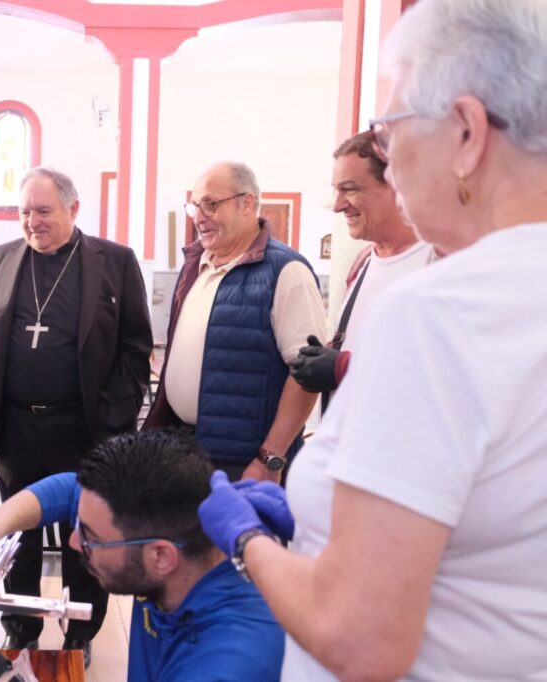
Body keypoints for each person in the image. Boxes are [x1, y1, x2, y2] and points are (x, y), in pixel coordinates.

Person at [197, 1, 547, 679]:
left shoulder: (438, 313)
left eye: (389, 131)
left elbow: (357, 637)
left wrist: (246, 539)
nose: (388, 153)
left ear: (468, 132)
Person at [0, 166, 153, 663]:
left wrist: (117, 416)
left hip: (85, 428)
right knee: (18, 534)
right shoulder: (3, 259)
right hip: (17, 425)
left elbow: (137, 346)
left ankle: (79, 633)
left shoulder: (114, 261)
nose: (32, 222)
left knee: (85, 537)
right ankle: (20, 625)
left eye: (43, 211)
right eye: (24, 211)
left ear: (74, 209)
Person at [0, 430, 284, 681]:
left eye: (91, 538)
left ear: (161, 556)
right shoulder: (193, 531)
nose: (73, 543)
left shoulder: (227, 662)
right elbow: (69, 490)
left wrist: (3, 675)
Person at [143, 162, 325, 483]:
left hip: (244, 463)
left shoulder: (286, 272)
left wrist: (270, 457)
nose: (199, 216)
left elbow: (307, 375)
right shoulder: (195, 265)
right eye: (195, 206)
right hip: (183, 449)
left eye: (211, 204)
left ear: (248, 203)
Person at [288, 131, 435, 409]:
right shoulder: (363, 263)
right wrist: (323, 357)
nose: (338, 205)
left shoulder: (439, 263)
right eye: (336, 190)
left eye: (350, 189)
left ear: (396, 186)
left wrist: (342, 367)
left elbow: (445, 374)